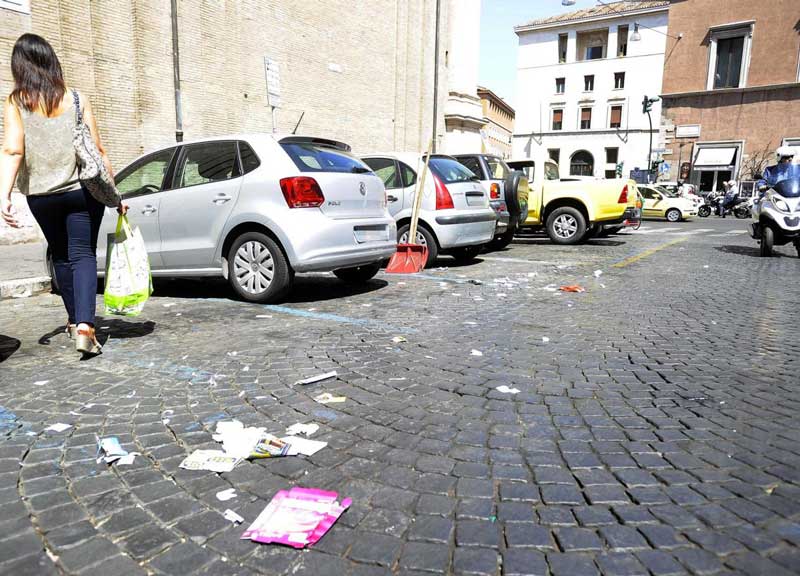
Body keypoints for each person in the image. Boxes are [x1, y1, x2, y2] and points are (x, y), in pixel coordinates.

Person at [0, 33, 126, 355]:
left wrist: (5, 195)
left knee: (61, 256)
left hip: (42, 196)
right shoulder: (77, 99)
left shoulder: (16, 102)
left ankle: (73, 320)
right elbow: (98, 151)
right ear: (51, 60)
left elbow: (13, 150)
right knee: (82, 254)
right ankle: (85, 325)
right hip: (80, 191)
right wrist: (115, 194)